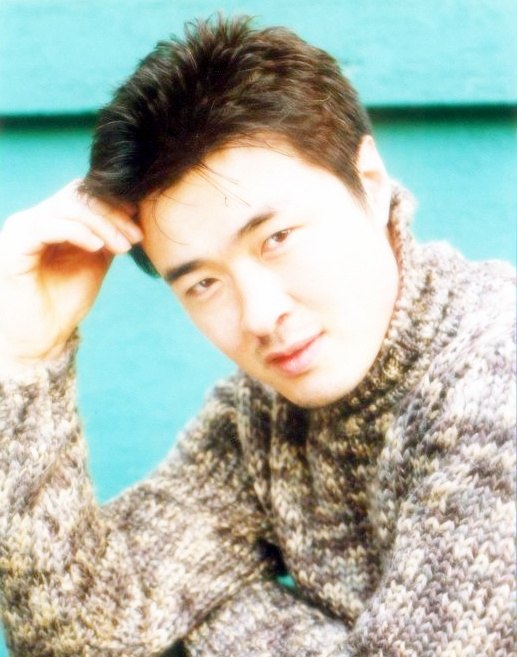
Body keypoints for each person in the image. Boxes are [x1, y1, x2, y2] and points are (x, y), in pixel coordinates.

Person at [0, 15, 515, 657]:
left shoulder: (498, 372)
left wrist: (216, 619)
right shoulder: (261, 420)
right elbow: (80, 638)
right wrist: (23, 360)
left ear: (371, 183)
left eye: (277, 239)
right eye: (203, 283)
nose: (260, 315)